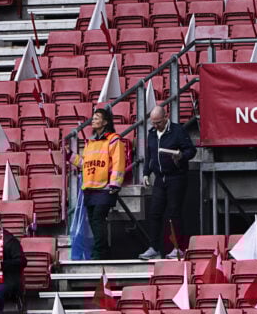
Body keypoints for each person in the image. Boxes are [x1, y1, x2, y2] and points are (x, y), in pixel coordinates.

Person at [139, 104, 197, 260]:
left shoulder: (178, 131)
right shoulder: (152, 134)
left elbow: (191, 150)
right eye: (153, 123)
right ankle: (154, 248)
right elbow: (150, 155)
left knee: (174, 213)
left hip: (176, 177)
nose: (155, 126)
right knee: (154, 213)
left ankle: (177, 248)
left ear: (166, 117)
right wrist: (146, 173)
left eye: (158, 122)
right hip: (160, 178)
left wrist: (181, 156)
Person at [74, 107, 130, 257]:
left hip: (105, 188)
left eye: (96, 118)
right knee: (93, 220)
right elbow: (84, 163)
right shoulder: (90, 142)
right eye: (93, 118)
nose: (93, 120)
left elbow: (118, 162)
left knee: (98, 219)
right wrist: (70, 156)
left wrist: (115, 183)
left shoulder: (114, 139)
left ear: (105, 122)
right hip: (90, 187)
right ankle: (103, 250)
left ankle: (100, 251)